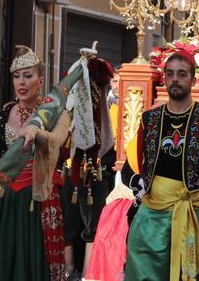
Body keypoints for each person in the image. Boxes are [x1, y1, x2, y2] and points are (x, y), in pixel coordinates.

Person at [123, 50, 199, 280]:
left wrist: (198, 198)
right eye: (170, 74)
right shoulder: (149, 119)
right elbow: (143, 164)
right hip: (152, 215)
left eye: (181, 74)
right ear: (164, 79)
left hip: (192, 213)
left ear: (192, 80)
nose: (175, 79)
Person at [0, 45, 72, 281]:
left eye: (28, 76)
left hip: (37, 203)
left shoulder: (56, 113)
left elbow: (57, 141)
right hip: (3, 204)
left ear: (40, 80)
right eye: (17, 76)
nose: (21, 82)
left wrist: (37, 131)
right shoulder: (3, 114)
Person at [61, 56, 116, 280]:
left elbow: (110, 145)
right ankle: (68, 269)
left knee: (92, 227)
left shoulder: (109, 114)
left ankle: (87, 273)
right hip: (70, 174)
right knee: (69, 227)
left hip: (98, 174)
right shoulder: (67, 114)